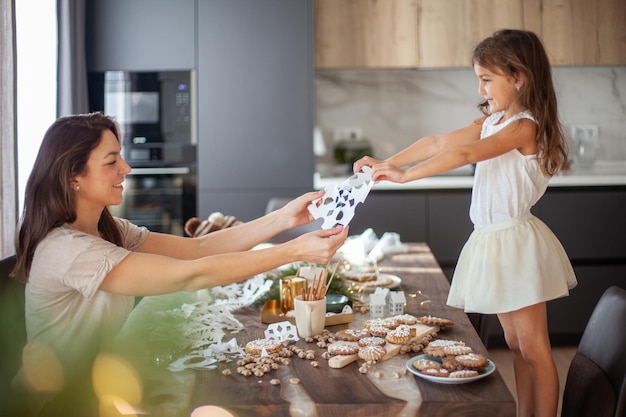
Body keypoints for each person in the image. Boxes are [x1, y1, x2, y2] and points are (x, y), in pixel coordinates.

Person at [9, 112, 348, 416]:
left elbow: (196, 250)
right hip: (56, 404)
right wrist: (292, 252)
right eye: (111, 161)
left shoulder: (108, 230)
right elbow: (190, 275)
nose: (126, 168)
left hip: (93, 387)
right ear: (73, 177)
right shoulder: (68, 250)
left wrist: (284, 218)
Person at [354, 29, 577, 417]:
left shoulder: (525, 126)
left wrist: (406, 176)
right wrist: (390, 162)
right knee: (516, 346)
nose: (481, 88)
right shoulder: (494, 119)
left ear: (519, 77)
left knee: (535, 348)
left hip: (515, 242)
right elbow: (438, 142)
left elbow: (463, 152)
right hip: (493, 241)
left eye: (487, 79)